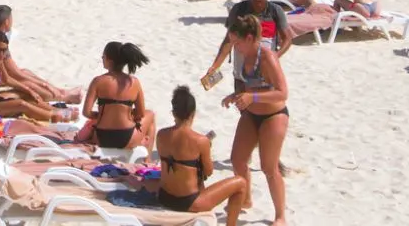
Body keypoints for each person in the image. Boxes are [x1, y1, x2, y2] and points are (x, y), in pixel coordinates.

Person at [223, 15, 289, 226]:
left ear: (250, 38)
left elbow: (282, 92)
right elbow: (251, 86)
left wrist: (254, 97)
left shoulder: (267, 56)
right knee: (238, 159)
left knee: (269, 168)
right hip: (252, 113)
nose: (236, 47)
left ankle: (280, 216)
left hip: (274, 115)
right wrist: (236, 96)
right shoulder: (245, 54)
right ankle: (247, 198)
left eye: (237, 42)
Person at [156, 86, 246, 225]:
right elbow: (208, 172)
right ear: (193, 114)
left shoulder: (161, 135)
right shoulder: (200, 141)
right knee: (241, 183)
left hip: (164, 197)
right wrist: (205, 150)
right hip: (187, 203)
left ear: (173, 113)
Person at [204, 0, 292, 92]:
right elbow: (228, 40)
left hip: (266, 72)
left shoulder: (275, 11)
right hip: (241, 72)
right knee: (243, 105)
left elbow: (288, 39)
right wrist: (215, 66)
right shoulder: (238, 10)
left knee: (265, 105)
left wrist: (274, 57)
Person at [0, 6, 82, 102]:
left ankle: (61, 91)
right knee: (27, 84)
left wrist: (46, 85)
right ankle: (63, 97)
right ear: (7, 22)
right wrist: (44, 84)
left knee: (25, 72)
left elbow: (12, 72)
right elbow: (14, 73)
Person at [0, 31, 77, 123]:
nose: (1, 54)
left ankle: (56, 110)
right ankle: (54, 116)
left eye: (4, 50)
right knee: (21, 104)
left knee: (26, 95)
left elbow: (7, 79)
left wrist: (29, 90)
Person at [82, 41, 156, 151]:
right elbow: (140, 113)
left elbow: (86, 112)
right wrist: (127, 114)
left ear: (109, 60)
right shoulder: (134, 82)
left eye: (103, 56)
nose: (102, 58)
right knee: (150, 115)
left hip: (101, 138)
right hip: (126, 137)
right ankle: (147, 160)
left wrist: (105, 115)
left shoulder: (98, 81)